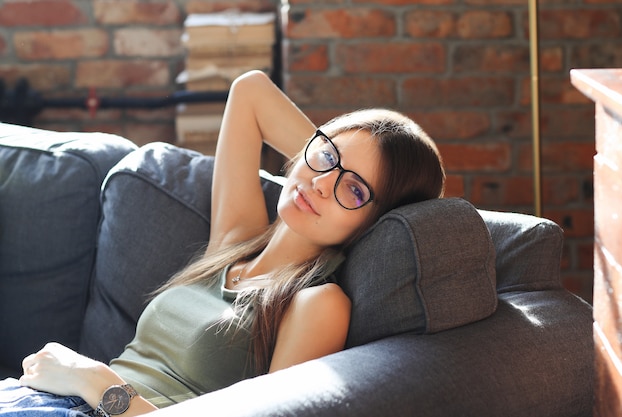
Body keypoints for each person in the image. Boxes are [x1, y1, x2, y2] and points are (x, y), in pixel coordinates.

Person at [0, 70, 445, 416]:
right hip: (47, 394)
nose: (323, 184)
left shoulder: (318, 304)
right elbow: (249, 91)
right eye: (327, 156)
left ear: (376, 222)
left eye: (354, 190)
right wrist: (327, 164)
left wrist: (94, 380)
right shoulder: (235, 242)